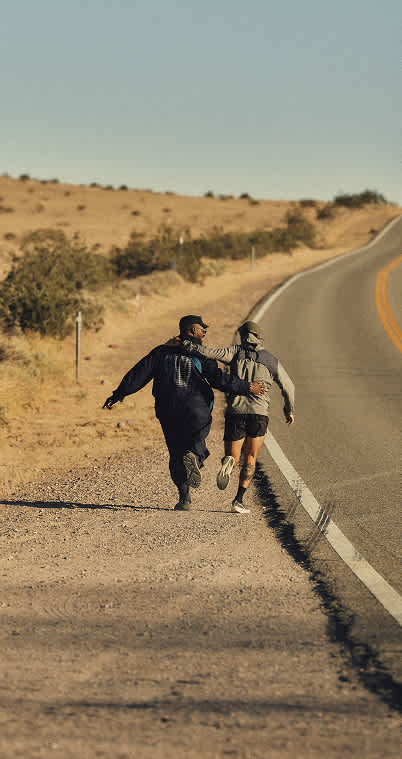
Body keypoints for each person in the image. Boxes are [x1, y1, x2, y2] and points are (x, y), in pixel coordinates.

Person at [103, 315, 264, 511]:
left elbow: (140, 373)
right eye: (201, 329)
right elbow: (219, 379)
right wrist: (247, 387)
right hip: (196, 408)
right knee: (195, 442)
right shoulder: (201, 354)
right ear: (191, 331)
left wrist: (119, 393)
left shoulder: (161, 352)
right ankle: (196, 457)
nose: (205, 333)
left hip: (166, 409)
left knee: (176, 453)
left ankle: (184, 497)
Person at [179, 320, 295, 513]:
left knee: (232, 454)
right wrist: (288, 409)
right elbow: (288, 386)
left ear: (243, 336)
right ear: (259, 337)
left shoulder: (235, 352)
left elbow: (208, 353)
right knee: (250, 457)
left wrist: (187, 344)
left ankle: (228, 462)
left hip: (236, 411)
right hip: (259, 414)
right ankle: (238, 501)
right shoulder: (271, 360)